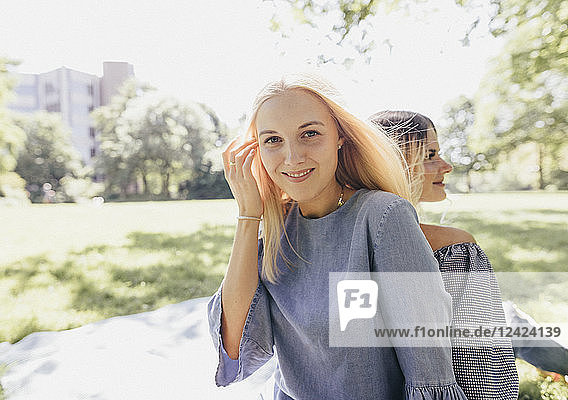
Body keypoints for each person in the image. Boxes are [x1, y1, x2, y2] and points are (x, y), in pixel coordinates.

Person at [207, 74, 468, 399]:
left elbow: (429, 371)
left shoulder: (384, 217)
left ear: (340, 137)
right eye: (273, 140)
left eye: (310, 134)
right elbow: (233, 345)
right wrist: (248, 215)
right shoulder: (274, 231)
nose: (292, 158)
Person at [371, 110, 527, 399]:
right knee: (517, 325)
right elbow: (481, 368)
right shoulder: (454, 247)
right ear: (391, 162)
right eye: (429, 155)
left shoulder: (330, 239)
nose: (446, 166)